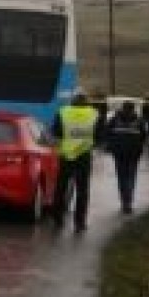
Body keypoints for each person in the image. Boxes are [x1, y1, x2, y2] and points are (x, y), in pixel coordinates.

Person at [51, 92, 99, 233]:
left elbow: (56, 132)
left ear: (73, 101)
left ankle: (57, 218)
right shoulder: (94, 113)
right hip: (84, 154)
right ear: (86, 102)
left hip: (67, 154)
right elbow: (99, 134)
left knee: (61, 187)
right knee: (82, 190)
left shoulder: (63, 112)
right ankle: (80, 222)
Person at [107, 99, 147, 214]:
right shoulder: (139, 121)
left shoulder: (114, 119)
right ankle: (128, 201)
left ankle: (124, 201)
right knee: (131, 177)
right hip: (134, 153)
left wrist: (112, 146)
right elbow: (144, 136)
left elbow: (107, 133)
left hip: (119, 153)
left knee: (121, 177)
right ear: (133, 109)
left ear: (122, 108)